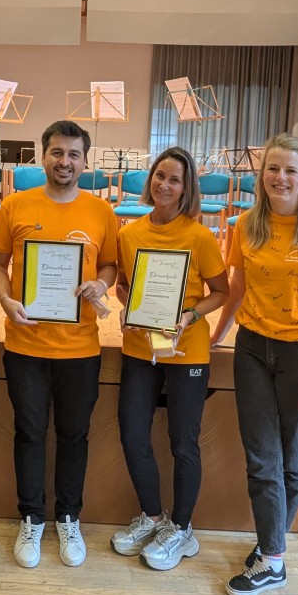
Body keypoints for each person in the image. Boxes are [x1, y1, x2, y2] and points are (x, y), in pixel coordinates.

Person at [210, 133, 298, 595]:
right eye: (273, 168)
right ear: (262, 175)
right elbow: (237, 289)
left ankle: (271, 550)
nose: (281, 177)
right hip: (253, 348)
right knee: (262, 457)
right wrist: (217, 336)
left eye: (291, 170)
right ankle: (273, 557)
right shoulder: (248, 223)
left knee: (293, 459)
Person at [0, 119, 119, 569]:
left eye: (74, 154)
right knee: (28, 433)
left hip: (80, 348)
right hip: (25, 344)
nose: (65, 161)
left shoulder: (101, 211)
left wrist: (101, 285)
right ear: (42, 156)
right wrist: (5, 300)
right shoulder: (15, 205)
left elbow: (110, 266)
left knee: (74, 435)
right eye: (57, 152)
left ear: (85, 161)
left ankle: (68, 517)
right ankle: (31, 518)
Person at [111, 147, 230, 570]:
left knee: (183, 442)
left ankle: (181, 528)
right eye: (160, 176)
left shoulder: (200, 237)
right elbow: (123, 284)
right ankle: (153, 517)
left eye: (174, 179)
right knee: (133, 435)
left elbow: (221, 291)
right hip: (140, 349)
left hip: (185, 350)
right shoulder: (129, 234)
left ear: (186, 188)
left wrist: (191, 315)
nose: (164, 184)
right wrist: (126, 306)